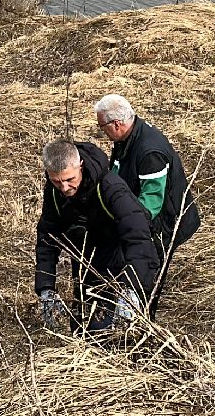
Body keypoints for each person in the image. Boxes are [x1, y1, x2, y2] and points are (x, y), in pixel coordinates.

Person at [33, 139, 160, 334]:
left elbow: (139, 237)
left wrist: (132, 290)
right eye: (57, 181)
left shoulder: (111, 188)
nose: (65, 188)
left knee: (115, 333)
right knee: (83, 330)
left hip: (119, 266)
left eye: (70, 179)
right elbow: (47, 238)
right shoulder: (54, 193)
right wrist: (45, 288)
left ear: (80, 166)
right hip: (84, 264)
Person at [95, 94, 200, 314]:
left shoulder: (149, 152)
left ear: (117, 124)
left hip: (162, 225)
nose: (101, 131)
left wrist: (129, 227)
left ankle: (144, 319)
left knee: (147, 273)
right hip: (144, 218)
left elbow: (151, 203)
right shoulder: (128, 136)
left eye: (102, 126)